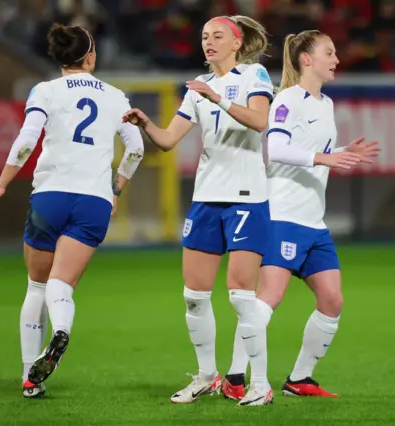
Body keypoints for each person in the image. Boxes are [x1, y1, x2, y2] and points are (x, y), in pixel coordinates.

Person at [0, 23, 144, 399]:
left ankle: (28, 376)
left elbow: (25, 141)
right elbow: (135, 150)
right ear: (91, 56)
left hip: (50, 195)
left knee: (36, 285)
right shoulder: (116, 96)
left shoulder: (46, 91)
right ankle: (62, 330)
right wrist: (116, 188)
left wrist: (2, 184)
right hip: (93, 200)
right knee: (62, 285)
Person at [124, 15, 277, 405]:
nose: (208, 42)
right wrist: (146, 124)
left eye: (217, 36)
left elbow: (260, 121)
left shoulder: (254, 76)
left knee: (241, 296)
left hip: (246, 199)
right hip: (206, 200)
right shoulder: (198, 87)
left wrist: (219, 98)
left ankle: (259, 383)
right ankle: (207, 375)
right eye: (205, 36)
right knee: (194, 295)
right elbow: (168, 140)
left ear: (237, 42)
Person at [240, 30, 380, 403]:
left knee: (332, 300)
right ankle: (241, 377)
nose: (336, 59)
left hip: (313, 223)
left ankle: (300, 378)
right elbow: (278, 147)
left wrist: (346, 151)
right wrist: (326, 158)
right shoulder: (287, 99)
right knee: (268, 297)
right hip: (283, 215)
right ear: (307, 60)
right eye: (329, 53)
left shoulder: (325, 104)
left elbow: (316, 149)